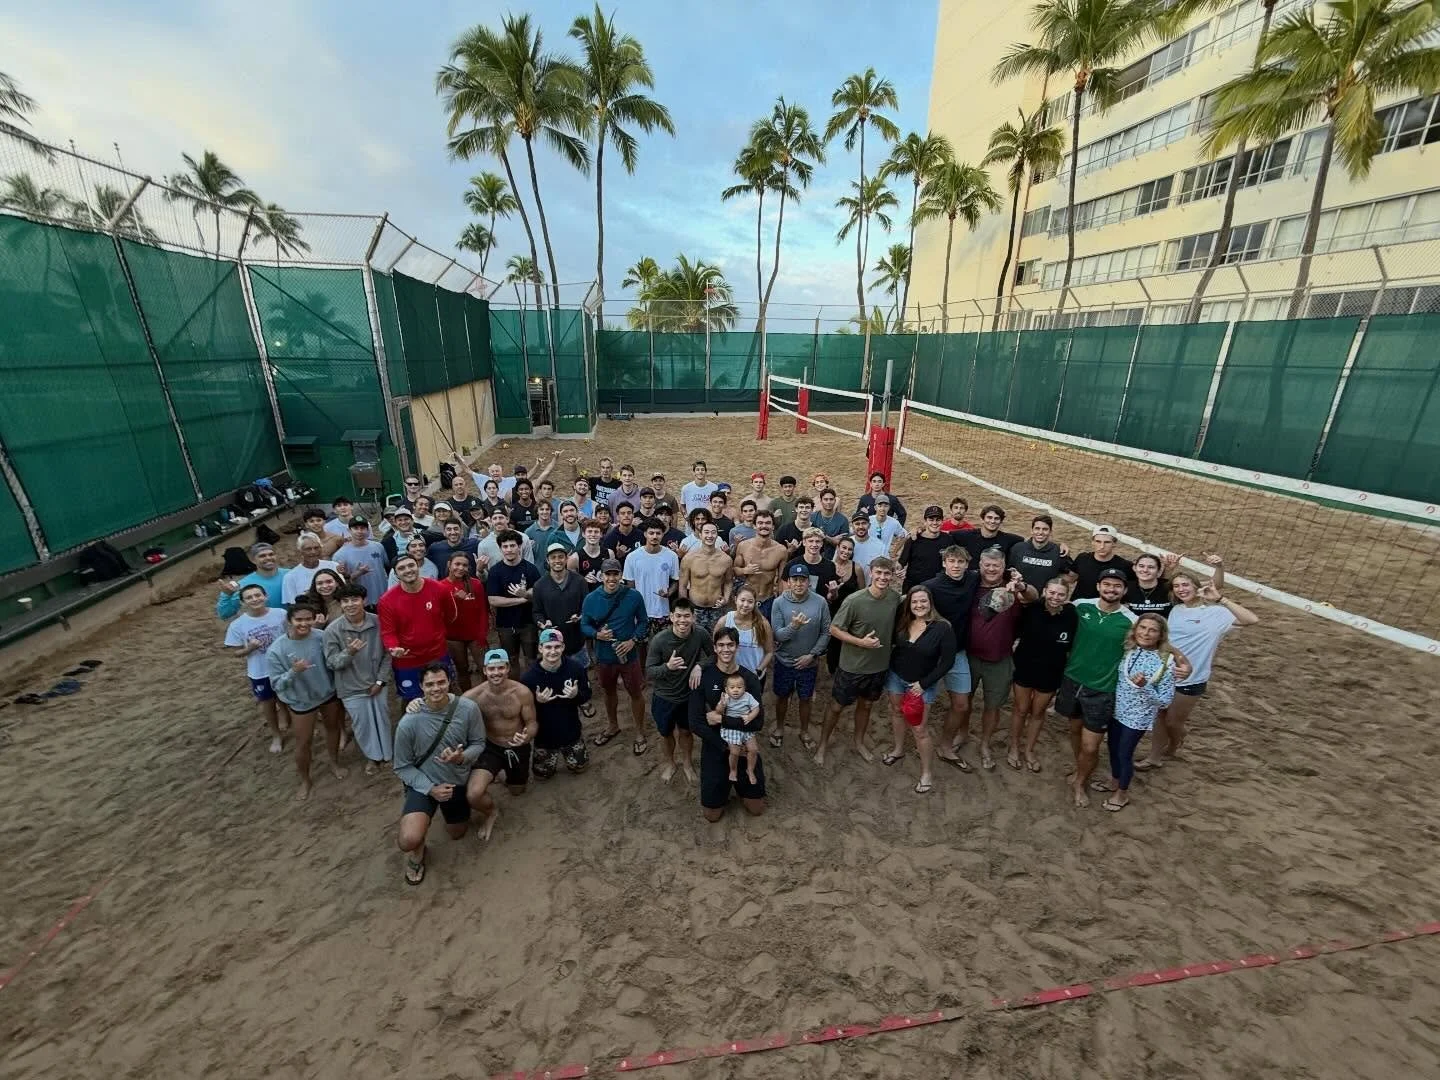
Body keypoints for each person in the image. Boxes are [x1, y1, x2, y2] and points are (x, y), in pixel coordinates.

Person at [1140, 567, 1256, 770]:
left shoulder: (1217, 613)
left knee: (1173, 722)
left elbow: (1251, 619)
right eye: (1177, 586)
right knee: (1160, 716)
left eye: (1185, 585)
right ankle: (1154, 757)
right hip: (1166, 673)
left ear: (1196, 587)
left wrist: (1221, 599)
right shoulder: (1176, 610)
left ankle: (1176, 741)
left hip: (1193, 677)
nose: (1181, 589)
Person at [393, 664, 490, 885]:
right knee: (408, 839)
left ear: (449, 682)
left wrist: (461, 757)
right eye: (429, 684)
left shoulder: (468, 708)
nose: (436, 688)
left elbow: (478, 742)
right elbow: (402, 767)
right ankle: (418, 852)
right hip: (424, 784)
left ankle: (439, 815)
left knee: (457, 832)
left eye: (441, 682)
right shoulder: (408, 722)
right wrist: (430, 789)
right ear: (421, 686)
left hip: (455, 782)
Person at [1056, 567, 1138, 808]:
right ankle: (1079, 769)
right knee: (1074, 731)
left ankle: (1081, 782)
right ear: (1098, 586)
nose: (1111, 589)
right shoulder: (1081, 606)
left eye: (1117, 586)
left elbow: (1155, 642)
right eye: (1107, 585)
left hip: (1103, 689)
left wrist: (1180, 660)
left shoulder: (1131, 621)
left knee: (1091, 746)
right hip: (1072, 681)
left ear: (1124, 590)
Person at [816, 556, 901, 765]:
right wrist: (860, 642)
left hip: (879, 666)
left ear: (892, 575)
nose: (882, 577)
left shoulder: (894, 599)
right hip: (852, 666)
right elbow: (834, 629)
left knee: (866, 706)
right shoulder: (854, 600)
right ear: (871, 573)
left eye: (887, 573)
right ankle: (823, 745)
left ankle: (859, 742)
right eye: (878, 572)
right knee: (837, 706)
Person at [1091, 614, 1177, 812]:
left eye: (1152, 630)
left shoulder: (1166, 662)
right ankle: (1114, 781)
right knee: (1113, 748)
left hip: (1138, 717)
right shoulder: (1128, 649)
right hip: (1116, 710)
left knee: (1124, 753)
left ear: (1161, 635)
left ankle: (1122, 794)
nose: (1146, 633)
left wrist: (1145, 686)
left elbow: (1165, 701)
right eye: (1142, 628)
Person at [266, 602, 347, 800]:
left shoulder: (321, 637)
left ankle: (334, 762)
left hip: (328, 694)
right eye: (299, 620)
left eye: (308, 619)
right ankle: (305, 779)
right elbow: (277, 685)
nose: (304, 624)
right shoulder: (276, 650)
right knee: (304, 742)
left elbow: (333, 662)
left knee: (333, 728)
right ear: (289, 621)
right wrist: (294, 671)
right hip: (300, 701)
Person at [964, 551, 1035, 771]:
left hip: (1000, 659)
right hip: (969, 656)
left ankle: (985, 744)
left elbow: (1033, 596)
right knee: (964, 702)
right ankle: (962, 733)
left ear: (1004, 566)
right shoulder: (970, 584)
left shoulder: (1012, 587)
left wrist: (1021, 586)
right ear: (980, 565)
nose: (991, 569)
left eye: (996, 565)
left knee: (992, 706)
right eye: (987, 565)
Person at [884, 585, 957, 795]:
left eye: (923, 601)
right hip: (896, 677)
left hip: (922, 684)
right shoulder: (903, 621)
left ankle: (926, 773)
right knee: (897, 712)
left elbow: (948, 662)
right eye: (914, 601)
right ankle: (898, 749)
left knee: (919, 729)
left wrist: (924, 684)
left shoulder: (943, 627)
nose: (919, 605)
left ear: (930, 603)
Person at [689, 627, 766, 822]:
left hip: (743, 744)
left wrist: (722, 719)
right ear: (714, 648)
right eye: (721, 645)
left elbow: (758, 722)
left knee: (756, 808)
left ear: (737, 647)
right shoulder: (702, 677)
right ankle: (722, 785)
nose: (726, 649)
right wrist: (725, 746)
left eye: (730, 645)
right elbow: (696, 722)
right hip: (715, 745)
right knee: (712, 815)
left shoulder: (749, 678)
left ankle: (740, 784)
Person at [323, 583, 393, 774]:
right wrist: (349, 652)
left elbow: (388, 654)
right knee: (362, 725)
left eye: (355, 599)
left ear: (364, 600)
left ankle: (387, 755)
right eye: (345, 601)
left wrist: (380, 681)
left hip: (377, 683)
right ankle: (372, 757)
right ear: (340, 604)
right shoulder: (332, 630)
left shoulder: (379, 622)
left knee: (382, 720)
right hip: (351, 687)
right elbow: (332, 663)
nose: (350, 604)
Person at [1009, 577, 1078, 773]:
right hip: (1025, 666)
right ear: (1045, 592)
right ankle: (1014, 746)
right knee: (1021, 709)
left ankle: (1029, 750)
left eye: (1061, 594)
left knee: (1038, 713)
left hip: (1051, 671)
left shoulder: (1072, 614)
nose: (1055, 597)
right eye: (1052, 592)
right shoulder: (1032, 608)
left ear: (1067, 596)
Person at [581, 559, 650, 754]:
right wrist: (597, 635)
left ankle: (639, 732)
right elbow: (584, 625)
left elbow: (643, 622)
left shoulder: (633, 596)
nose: (611, 578)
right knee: (608, 691)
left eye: (615, 574)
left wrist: (633, 641)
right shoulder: (591, 599)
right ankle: (613, 726)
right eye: (608, 574)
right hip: (604, 656)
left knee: (635, 693)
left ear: (621, 575)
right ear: (601, 576)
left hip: (629, 656)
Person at [645, 598, 714, 784]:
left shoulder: (700, 634)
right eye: (678, 616)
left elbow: (713, 656)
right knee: (666, 733)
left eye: (687, 616)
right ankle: (670, 763)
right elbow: (649, 671)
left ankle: (687, 764)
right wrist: (667, 667)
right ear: (671, 617)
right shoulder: (660, 640)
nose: (682, 620)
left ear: (693, 617)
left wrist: (699, 666)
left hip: (688, 696)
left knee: (686, 732)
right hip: (664, 697)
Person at [924, 545, 979, 772]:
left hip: (958, 653)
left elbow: (997, 573)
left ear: (967, 564)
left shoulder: (973, 579)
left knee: (961, 704)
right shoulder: (930, 587)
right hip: (932, 655)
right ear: (944, 563)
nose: (956, 566)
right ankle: (916, 742)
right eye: (951, 561)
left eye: (960, 562)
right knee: (923, 703)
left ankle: (945, 746)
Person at [378, 554, 459, 701]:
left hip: (437, 654)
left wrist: (436, 633)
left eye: (411, 565)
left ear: (418, 566)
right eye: (402, 568)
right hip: (407, 660)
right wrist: (393, 647)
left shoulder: (439, 589)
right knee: (412, 701)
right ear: (395, 574)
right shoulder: (387, 601)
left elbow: (451, 615)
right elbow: (388, 631)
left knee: (443, 695)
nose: (408, 570)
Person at [770, 562, 831, 751]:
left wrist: (812, 655)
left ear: (808, 582)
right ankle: (779, 727)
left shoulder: (820, 602)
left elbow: (826, 632)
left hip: (809, 664)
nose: (798, 584)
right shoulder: (779, 602)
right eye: (794, 580)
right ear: (788, 582)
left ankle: (804, 731)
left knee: (805, 698)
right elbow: (778, 635)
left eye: (802, 580)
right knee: (782, 696)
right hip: (784, 661)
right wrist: (794, 626)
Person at [223, 582, 290, 754]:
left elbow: (291, 635)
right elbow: (235, 652)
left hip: (284, 666)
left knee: (290, 697)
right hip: (260, 671)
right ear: (242, 602)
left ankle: (291, 719)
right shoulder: (237, 625)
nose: (254, 599)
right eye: (249, 597)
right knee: (268, 703)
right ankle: (276, 734)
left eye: (258, 595)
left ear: (266, 596)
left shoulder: (281, 614)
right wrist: (250, 648)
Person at [519, 628, 592, 779]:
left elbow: (586, 694)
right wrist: (537, 701)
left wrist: (576, 695)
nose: (553, 651)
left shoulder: (576, 668)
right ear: (540, 648)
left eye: (557, 646)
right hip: (545, 736)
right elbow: (524, 712)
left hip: (571, 731)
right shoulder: (528, 678)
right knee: (542, 775)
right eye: (548, 647)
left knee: (581, 768)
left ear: (563, 647)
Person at [485, 530, 541, 668]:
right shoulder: (495, 571)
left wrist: (526, 594)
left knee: (531, 659)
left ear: (519, 547)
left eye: (512, 545)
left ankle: (531, 682)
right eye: (505, 546)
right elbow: (493, 600)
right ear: (500, 548)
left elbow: (538, 593)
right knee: (510, 661)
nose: (509, 550)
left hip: (528, 623)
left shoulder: (531, 569)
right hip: (505, 624)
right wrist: (522, 599)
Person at [533, 542, 589, 678]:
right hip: (553, 644)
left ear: (566, 559)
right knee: (555, 679)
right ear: (547, 560)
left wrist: (581, 616)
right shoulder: (539, 585)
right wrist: (542, 623)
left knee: (580, 677)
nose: (557, 560)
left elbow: (587, 607)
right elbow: (537, 612)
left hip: (576, 641)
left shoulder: (579, 581)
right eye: (553, 557)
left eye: (561, 557)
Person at [441, 551, 489, 692]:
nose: (461, 568)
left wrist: (482, 634)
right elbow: (440, 616)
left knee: (485, 668)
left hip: (475, 635)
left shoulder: (476, 584)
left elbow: (483, 611)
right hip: (453, 637)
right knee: (462, 670)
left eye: (465, 565)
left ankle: (486, 695)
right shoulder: (440, 586)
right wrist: (454, 600)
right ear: (449, 565)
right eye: (457, 564)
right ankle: (467, 697)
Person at [623, 519, 680, 639]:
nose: (654, 536)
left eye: (658, 533)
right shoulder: (632, 557)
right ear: (645, 534)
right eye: (651, 533)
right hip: (640, 612)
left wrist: (669, 592)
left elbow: (675, 581)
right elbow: (630, 586)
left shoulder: (671, 556)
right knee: (640, 644)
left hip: (663, 611)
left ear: (663, 534)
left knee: (662, 645)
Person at [679, 521, 734, 636]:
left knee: (717, 639)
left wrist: (726, 599)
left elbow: (728, 582)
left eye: (713, 532)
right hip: (695, 608)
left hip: (717, 609)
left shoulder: (726, 559)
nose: (710, 535)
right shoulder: (689, 558)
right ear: (700, 535)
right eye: (706, 532)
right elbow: (682, 586)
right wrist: (685, 609)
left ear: (717, 535)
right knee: (694, 640)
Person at [732, 510, 786, 620]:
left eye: (768, 523)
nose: (764, 526)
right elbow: (734, 570)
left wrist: (781, 602)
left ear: (773, 527)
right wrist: (745, 570)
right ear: (754, 526)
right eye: (760, 523)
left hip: (768, 599)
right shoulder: (743, 546)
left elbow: (782, 579)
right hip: (748, 600)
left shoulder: (781, 550)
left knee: (766, 630)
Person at [824, 535, 866, 673]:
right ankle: (832, 671)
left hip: (851, 613)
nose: (846, 551)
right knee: (833, 643)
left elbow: (862, 593)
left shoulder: (856, 568)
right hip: (832, 611)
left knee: (848, 643)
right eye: (844, 548)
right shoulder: (827, 566)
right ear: (837, 548)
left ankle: (847, 670)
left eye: (849, 549)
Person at [215, 541, 289, 619]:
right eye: (262, 556)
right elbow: (224, 614)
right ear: (253, 560)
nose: (268, 558)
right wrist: (226, 595)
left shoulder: (290, 574)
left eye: (271, 554)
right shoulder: (245, 585)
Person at [718, 585, 773, 681]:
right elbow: (716, 648)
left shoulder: (763, 624)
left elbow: (769, 652)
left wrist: (758, 670)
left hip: (755, 676)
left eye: (750, 601)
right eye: (742, 600)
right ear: (735, 600)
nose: (745, 605)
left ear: (755, 603)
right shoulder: (724, 621)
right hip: (730, 677)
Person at [1006, 514, 1072, 594]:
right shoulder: (1018, 548)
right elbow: (1008, 571)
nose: (1040, 532)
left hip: (1045, 599)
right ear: (1031, 530)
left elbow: (1068, 577)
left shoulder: (1059, 552)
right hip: (1019, 596)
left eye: (1045, 529)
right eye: (1037, 528)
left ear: (1050, 532)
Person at [334, 516, 389, 607]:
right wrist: (355, 574)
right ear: (349, 530)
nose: (359, 531)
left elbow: (387, 567)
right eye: (356, 528)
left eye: (362, 528)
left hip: (384, 598)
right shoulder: (340, 555)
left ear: (368, 530)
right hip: (360, 603)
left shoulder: (378, 547)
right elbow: (341, 584)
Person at [720, 672, 762, 784]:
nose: (736, 690)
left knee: (753, 749)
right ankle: (733, 770)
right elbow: (719, 712)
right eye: (732, 687)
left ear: (744, 688)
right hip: (731, 728)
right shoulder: (726, 697)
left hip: (746, 727)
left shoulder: (748, 697)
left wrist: (750, 717)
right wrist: (722, 704)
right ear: (726, 689)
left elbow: (756, 708)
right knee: (735, 752)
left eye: (739, 687)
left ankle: (750, 770)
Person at [1070, 525, 1133, 599]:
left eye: (1107, 542)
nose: (1102, 546)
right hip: (1080, 605)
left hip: (1108, 605)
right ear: (1092, 542)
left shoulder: (1125, 565)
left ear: (1114, 543)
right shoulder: (1082, 558)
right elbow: (1069, 579)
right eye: (1098, 541)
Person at [897, 504, 949, 587]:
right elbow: (901, 563)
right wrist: (899, 571)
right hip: (914, 587)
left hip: (937, 587)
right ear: (925, 521)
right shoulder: (913, 539)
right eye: (931, 520)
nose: (935, 523)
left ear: (942, 521)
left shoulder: (948, 539)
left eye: (938, 520)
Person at [282, 534, 339, 605]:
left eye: (316, 548)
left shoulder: (333, 566)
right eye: (308, 549)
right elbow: (292, 605)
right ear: (300, 551)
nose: (313, 552)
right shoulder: (290, 577)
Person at [957, 504, 1023, 564]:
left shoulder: (1010, 540)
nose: (992, 521)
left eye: (996, 518)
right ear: (982, 519)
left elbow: (1024, 544)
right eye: (989, 517)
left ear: (1001, 521)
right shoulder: (967, 535)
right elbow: (950, 536)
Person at [1126, 552, 1177, 616]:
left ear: (1159, 571)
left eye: (1151, 567)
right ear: (1134, 568)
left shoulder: (1169, 588)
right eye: (1141, 566)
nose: (1145, 570)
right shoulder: (1126, 587)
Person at [569, 519, 611, 591]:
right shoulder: (574, 558)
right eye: (589, 531)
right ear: (583, 534)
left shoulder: (609, 553)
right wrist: (583, 580)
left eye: (596, 532)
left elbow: (614, 576)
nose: (593, 535)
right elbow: (571, 585)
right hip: (586, 595)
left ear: (601, 534)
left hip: (606, 594)